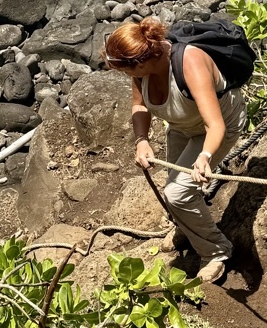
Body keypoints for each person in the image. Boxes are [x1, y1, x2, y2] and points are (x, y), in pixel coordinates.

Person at [103, 17, 247, 283]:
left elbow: (215, 125)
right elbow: (140, 107)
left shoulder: (190, 63)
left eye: (126, 71)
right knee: (178, 191)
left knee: (177, 194)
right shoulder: (141, 70)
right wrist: (141, 139)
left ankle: (216, 251)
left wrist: (205, 157)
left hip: (217, 127)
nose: (127, 77)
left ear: (142, 61)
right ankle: (191, 229)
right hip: (182, 126)